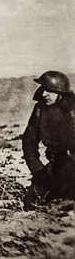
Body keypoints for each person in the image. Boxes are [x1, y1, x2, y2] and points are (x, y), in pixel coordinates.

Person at [22, 71, 75, 209]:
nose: (44, 94)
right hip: (55, 165)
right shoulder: (40, 110)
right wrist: (38, 170)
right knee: (32, 200)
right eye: (43, 89)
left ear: (61, 94)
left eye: (50, 91)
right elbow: (29, 142)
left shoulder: (72, 111)